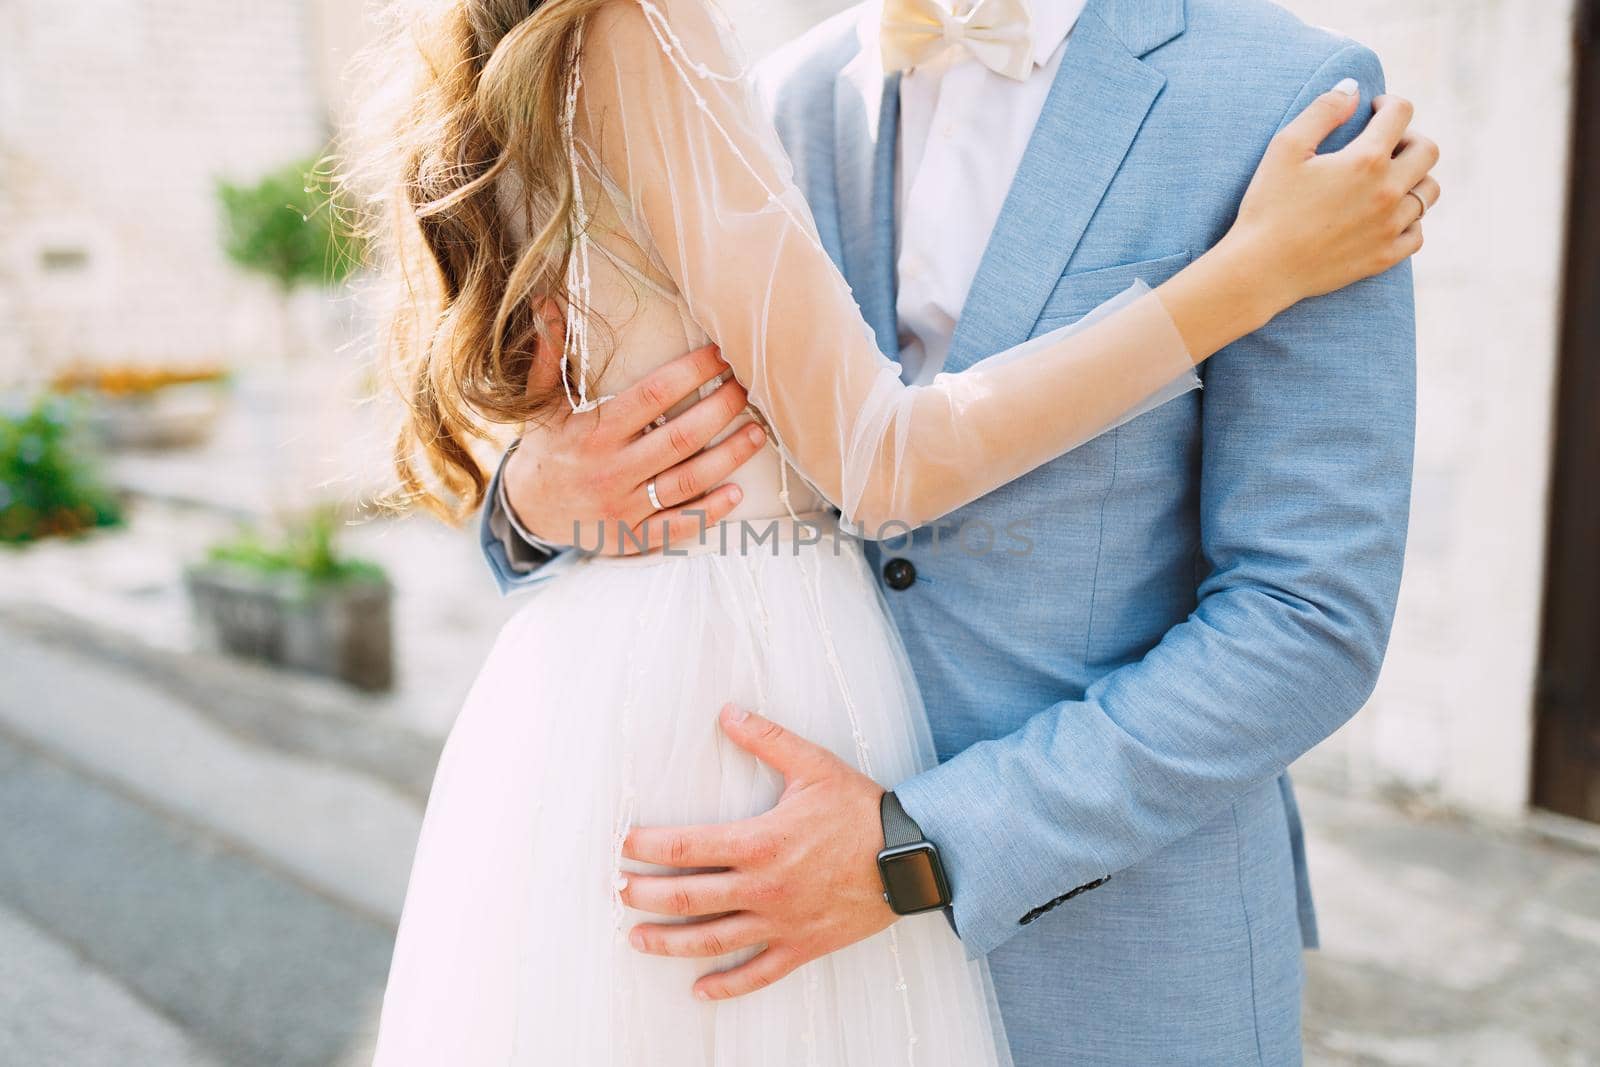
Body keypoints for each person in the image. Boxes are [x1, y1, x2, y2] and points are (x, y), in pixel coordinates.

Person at [370, 0, 1437, 1062]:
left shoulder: (1288, 100)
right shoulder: (774, 87)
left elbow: (1306, 619)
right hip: (766, 938)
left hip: (1118, 955)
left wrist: (921, 845)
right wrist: (532, 503)